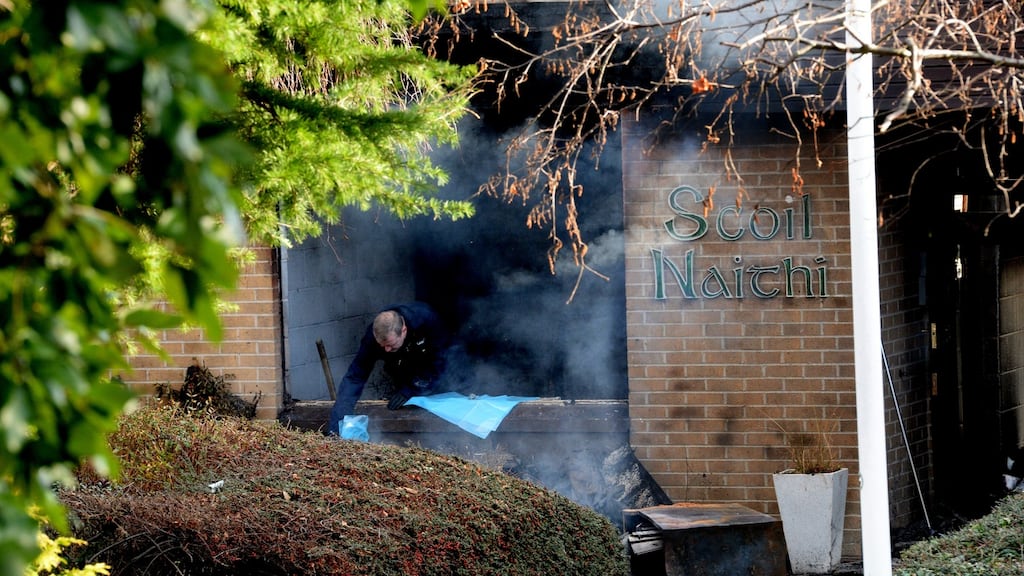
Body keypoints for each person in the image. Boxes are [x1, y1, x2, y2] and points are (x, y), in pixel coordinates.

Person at [327, 302, 451, 436]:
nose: (386, 349)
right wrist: (338, 422)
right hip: (400, 367)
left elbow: (442, 361)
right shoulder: (372, 338)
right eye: (382, 345)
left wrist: (411, 389)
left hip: (431, 368)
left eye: (391, 345)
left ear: (404, 331)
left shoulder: (426, 319)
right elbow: (355, 377)